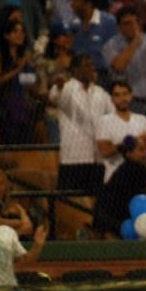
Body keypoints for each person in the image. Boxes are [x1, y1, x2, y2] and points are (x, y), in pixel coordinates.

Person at [50, 54, 114, 194]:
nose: (91, 68)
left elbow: (113, 115)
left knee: (95, 201)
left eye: (92, 65)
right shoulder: (67, 89)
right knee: (69, 202)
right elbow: (54, 96)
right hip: (73, 159)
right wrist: (59, 85)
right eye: (87, 65)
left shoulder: (100, 93)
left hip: (97, 159)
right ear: (75, 69)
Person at [92, 136, 146, 239]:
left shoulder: (131, 166)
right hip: (109, 214)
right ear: (128, 154)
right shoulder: (131, 167)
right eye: (141, 150)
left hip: (111, 212)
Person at [95, 81, 146, 183]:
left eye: (125, 94)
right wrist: (133, 142)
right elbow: (104, 151)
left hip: (140, 174)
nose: (122, 99)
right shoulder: (104, 121)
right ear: (112, 99)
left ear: (131, 96)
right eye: (117, 95)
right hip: (115, 175)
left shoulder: (142, 119)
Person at [0, 168, 34, 239]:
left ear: (6, 186)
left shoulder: (16, 206)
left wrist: (13, 233)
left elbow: (28, 228)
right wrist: (18, 223)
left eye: (1, 183)